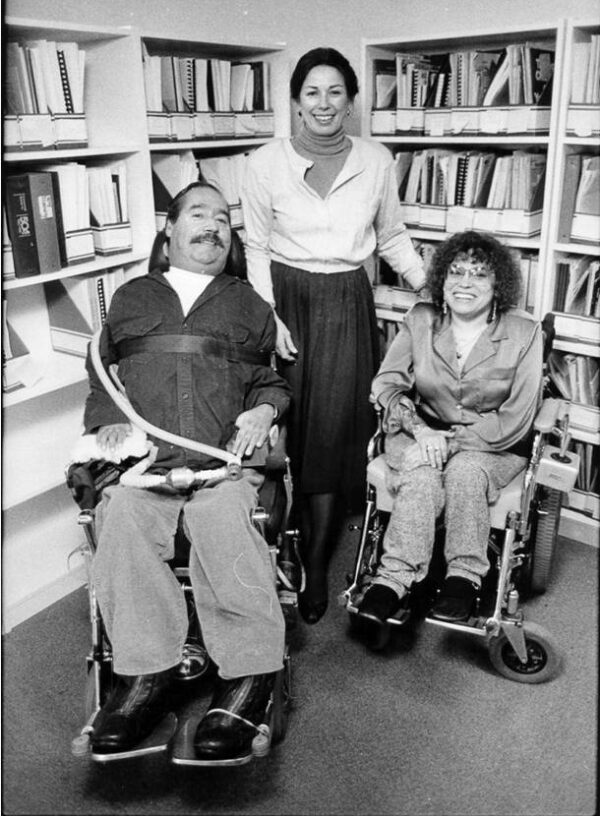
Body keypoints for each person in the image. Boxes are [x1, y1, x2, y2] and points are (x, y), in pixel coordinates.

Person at [83, 181, 291, 763]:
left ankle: (247, 678)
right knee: (121, 516)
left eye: (223, 219)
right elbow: (101, 374)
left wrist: (264, 409)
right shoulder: (131, 298)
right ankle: (146, 677)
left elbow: (270, 379)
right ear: (169, 230)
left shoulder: (250, 304)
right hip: (147, 471)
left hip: (222, 469)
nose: (213, 226)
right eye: (199, 214)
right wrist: (107, 422)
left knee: (222, 517)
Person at [241, 47, 426, 625]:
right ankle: (285, 536)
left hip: (347, 299)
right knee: (287, 422)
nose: (323, 104)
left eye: (335, 92)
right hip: (285, 296)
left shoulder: (376, 160)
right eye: (311, 93)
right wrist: (270, 317)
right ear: (296, 103)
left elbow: (391, 237)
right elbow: (255, 246)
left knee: (327, 431)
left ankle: (316, 560)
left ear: (351, 102)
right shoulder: (264, 162)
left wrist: (433, 286)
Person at [358, 230, 543, 625]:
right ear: (442, 279)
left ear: (498, 286)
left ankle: (464, 577)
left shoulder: (524, 332)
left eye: (479, 274)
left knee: (464, 471)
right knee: (422, 472)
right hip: (424, 432)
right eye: (456, 272)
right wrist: (422, 431)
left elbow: (516, 416)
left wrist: (452, 442)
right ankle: (393, 580)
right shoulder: (421, 320)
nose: (464, 283)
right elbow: (386, 384)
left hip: (494, 442)